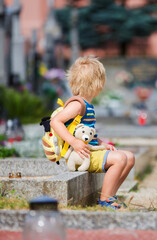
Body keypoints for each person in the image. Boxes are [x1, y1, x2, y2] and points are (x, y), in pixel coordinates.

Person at [50, 56, 135, 209]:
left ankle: (111, 195)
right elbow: (55, 121)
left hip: (91, 150)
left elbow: (89, 134)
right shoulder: (78, 104)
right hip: (82, 155)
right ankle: (104, 200)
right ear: (96, 83)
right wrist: (74, 142)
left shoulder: (88, 105)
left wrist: (102, 143)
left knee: (129, 157)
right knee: (121, 158)